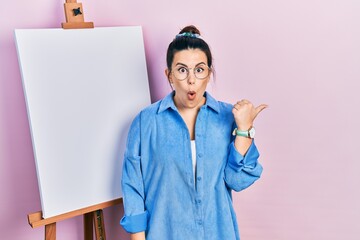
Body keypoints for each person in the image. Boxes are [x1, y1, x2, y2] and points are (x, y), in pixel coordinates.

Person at [120, 25, 267, 240]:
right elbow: (133, 186)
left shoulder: (228, 117)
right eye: (182, 70)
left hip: (217, 233)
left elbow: (237, 181)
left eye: (199, 70)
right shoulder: (146, 122)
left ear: (209, 74)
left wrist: (243, 129)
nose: (191, 80)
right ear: (168, 75)